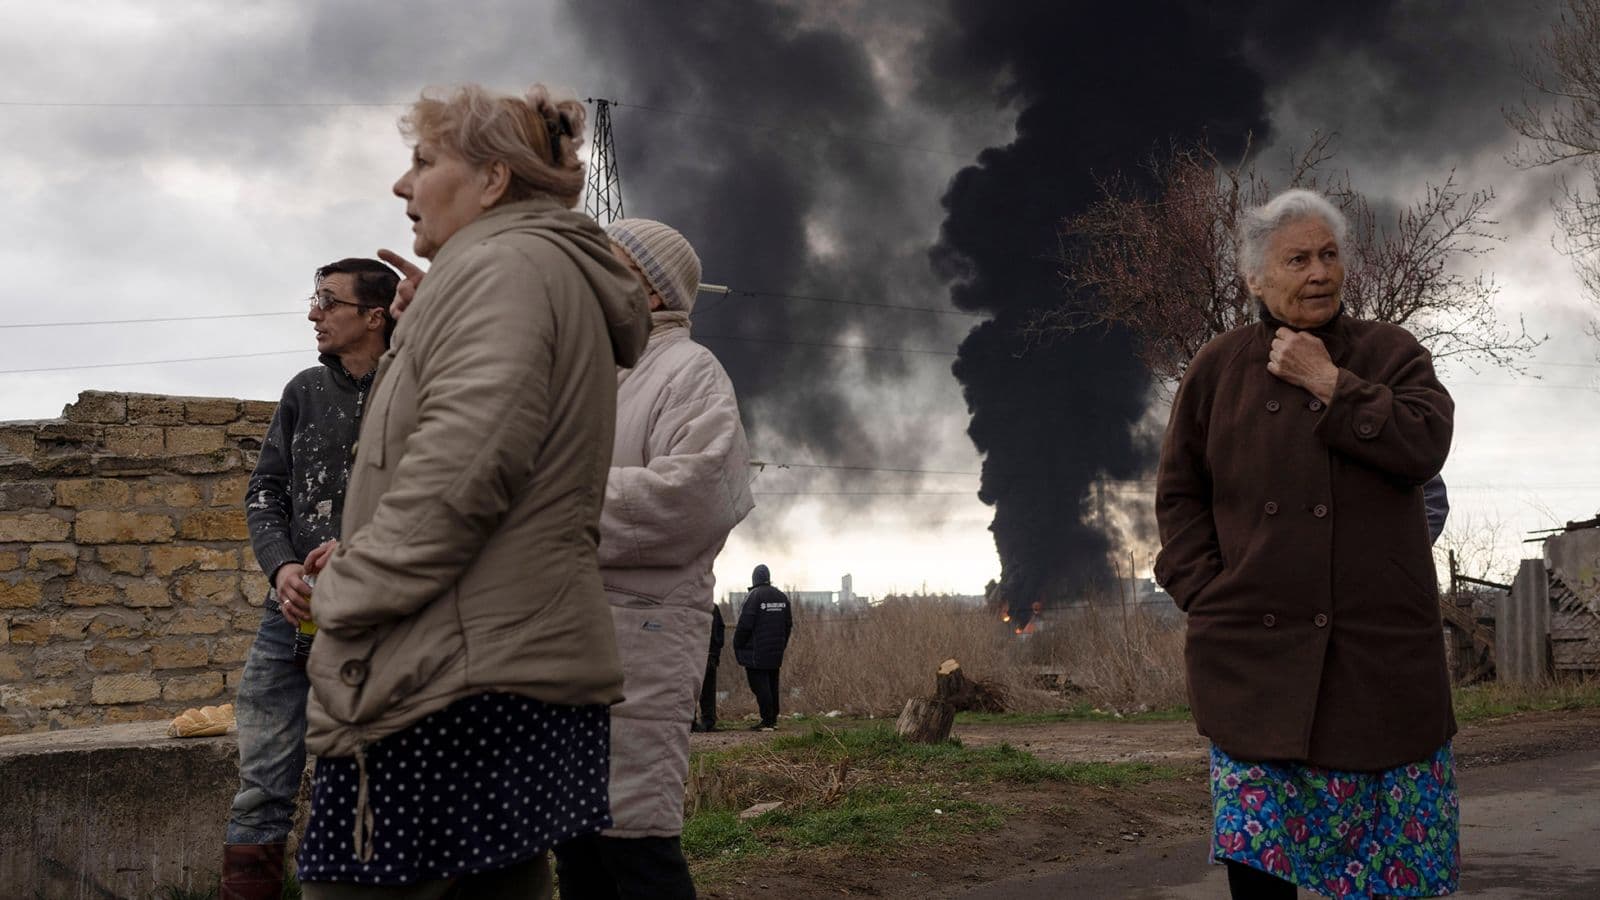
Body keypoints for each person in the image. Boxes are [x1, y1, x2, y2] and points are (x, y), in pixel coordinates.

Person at [291, 83, 651, 899]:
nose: (401, 185)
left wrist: (344, 589)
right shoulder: (514, 271)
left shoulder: (505, 270)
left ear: (493, 181)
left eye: (422, 161)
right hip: (495, 661)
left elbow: (462, 474)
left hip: (448, 681)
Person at [1154, 188, 1458, 898]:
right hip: (1255, 665)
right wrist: (1205, 593)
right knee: (1258, 871)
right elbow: (1179, 495)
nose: (1319, 272)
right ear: (1256, 277)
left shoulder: (1391, 353)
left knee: (1396, 877)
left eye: (1329, 255)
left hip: (1378, 666)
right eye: (1298, 259)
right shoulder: (1217, 368)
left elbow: (1425, 444)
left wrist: (1330, 382)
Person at [550, 217, 753, 899]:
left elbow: (696, 497)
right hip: (563, 637)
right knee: (577, 848)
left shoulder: (688, 371)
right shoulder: (589, 373)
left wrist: (552, 504)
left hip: (641, 638)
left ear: (648, 288)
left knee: (634, 848)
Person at [222, 258, 397, 899]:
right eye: (314, 298)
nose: (313, 312)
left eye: (327, 301)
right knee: (260, 784)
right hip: (288, 617)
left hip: (378, 622)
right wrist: (283, 566)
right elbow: (264, 491)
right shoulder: (303, 391)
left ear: (373, 316)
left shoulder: (414, 389)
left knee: (350, 780)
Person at [734, 565, 792, 731]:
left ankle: (767, 720)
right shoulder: (781, 596)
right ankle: (773, 718)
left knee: (759, 684)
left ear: (755, 579)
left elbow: (745, 624)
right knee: (772, 682)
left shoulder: (754, 596)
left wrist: (737, 643)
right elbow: (788, 624)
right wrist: (782, 644)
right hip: (776, 650)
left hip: (756, 652)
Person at [692, 605, 726, 733]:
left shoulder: (687, 605)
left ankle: (690, 721)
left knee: (690, 688)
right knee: (709, 689)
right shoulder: (713, 607)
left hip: (692, 654)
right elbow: (720, 629)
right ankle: (708, 721)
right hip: (710, 654)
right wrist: (716, 648)